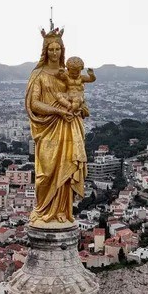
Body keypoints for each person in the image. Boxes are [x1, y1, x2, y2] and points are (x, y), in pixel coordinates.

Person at [25, 26, 88, 225]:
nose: (54, 53)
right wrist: (58, 111)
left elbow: (77, 95)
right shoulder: (38, 74)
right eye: (51, 49)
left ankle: (62, 211)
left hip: (69, 126)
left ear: (62, 50)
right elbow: (34, 104)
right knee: (45, 173)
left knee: (66, 169)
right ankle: (43, 210)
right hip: (48, 127)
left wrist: (79, 107)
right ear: (45, 51)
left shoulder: (67, 74)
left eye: (57, 49)